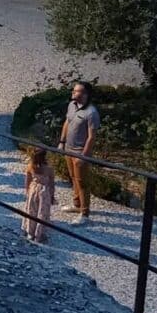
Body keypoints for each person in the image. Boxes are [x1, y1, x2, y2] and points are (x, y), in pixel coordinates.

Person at [58, 81, 100, 225]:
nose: (74, 93)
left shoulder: (91, 113)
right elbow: (67, 122)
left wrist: (84, 155)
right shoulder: (71, 106)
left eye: (77, 91)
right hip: (68, 149)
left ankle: (85, 214)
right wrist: (61, 142)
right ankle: (76, 204)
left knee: (82, 182)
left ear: (86, 94)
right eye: (74, 90)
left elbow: (92, 136)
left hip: (80, 151)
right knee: (73, 178)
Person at [22, 148, 56, 244]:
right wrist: (52, 196)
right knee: (42, 212)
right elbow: (52, 184)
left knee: (31, 210)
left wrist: (27, 191)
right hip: (44, 192)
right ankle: (39, 233)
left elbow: (27, 181)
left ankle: (30, 232)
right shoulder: (49, 169)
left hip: (33, 190)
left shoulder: (30, 166)